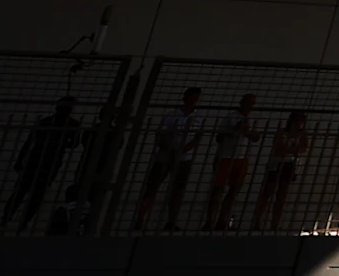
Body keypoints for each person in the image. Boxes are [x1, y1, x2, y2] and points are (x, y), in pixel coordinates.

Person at [3, 95, 81, 230]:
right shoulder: (49, 122)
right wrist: (20, 159)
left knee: (35, 194)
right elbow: (30, 140)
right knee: (22, 191)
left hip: (49, 162)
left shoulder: (69, 124)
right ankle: (7, 218)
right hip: (38, 160)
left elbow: (74, 143)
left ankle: (22, 221)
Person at [134, 85, 207, 229]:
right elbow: (160, 135)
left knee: (177, 191)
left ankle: (171, 221)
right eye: (191, 96)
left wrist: (186, 148)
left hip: (184, 158)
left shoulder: (199, 117)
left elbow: (198, 137)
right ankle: (140, 220)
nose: (193, 99)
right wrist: (169, 149)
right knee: (152, 188)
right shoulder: (171, 115)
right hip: (165, 157)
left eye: (195, 97)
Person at [203, 93, 262, 229]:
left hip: (241, 158)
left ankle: (222, 220)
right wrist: (236, 130)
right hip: (225, 156)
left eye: (252, 103)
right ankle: (209, 220)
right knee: (218, 189)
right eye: (249, 103)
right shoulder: (231, 117)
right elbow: (220, 137)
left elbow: (255, 136)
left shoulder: (253, 118)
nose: (250, 106)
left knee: (234, 190)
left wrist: (248, 132)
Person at [251, 111, 312, 231]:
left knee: (281, 196)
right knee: (268, 192)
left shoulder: (302, 135)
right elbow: (279, 149)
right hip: (277, 164)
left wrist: (289, 149)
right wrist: (293, 149)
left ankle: (275, 224)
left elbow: (303, 148)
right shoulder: (282, 133)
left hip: (290, 165)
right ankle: (257, 222)